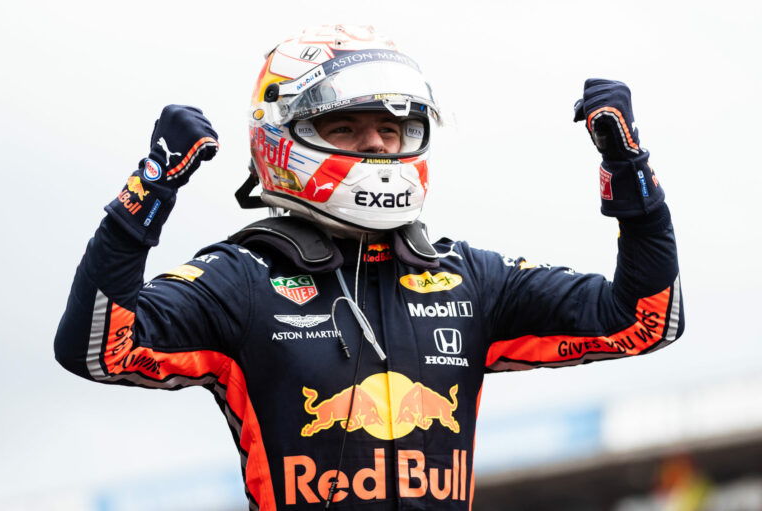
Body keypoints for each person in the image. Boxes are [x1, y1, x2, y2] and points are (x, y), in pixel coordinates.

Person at [54, 24, 684, 510]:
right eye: (347, 126)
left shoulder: (472, 278)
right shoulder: (240, 277)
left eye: (392, 126)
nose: (378, 144)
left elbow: (646, 320)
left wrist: (630, 177)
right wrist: (147, 194)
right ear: (283, 137)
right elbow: (96, 348)